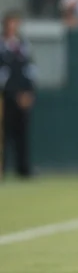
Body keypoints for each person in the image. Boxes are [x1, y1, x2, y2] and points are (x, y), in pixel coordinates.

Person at [0, 10, 36, 179]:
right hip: (5, 95)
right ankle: (3, 168)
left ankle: (23, 168)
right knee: (4, 132)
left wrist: (28, 91)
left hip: (22, 94)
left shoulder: (23, 45)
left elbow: (30, 69)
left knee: (22, 132)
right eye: (11, 23)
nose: (14, 26)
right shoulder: (2, 45)